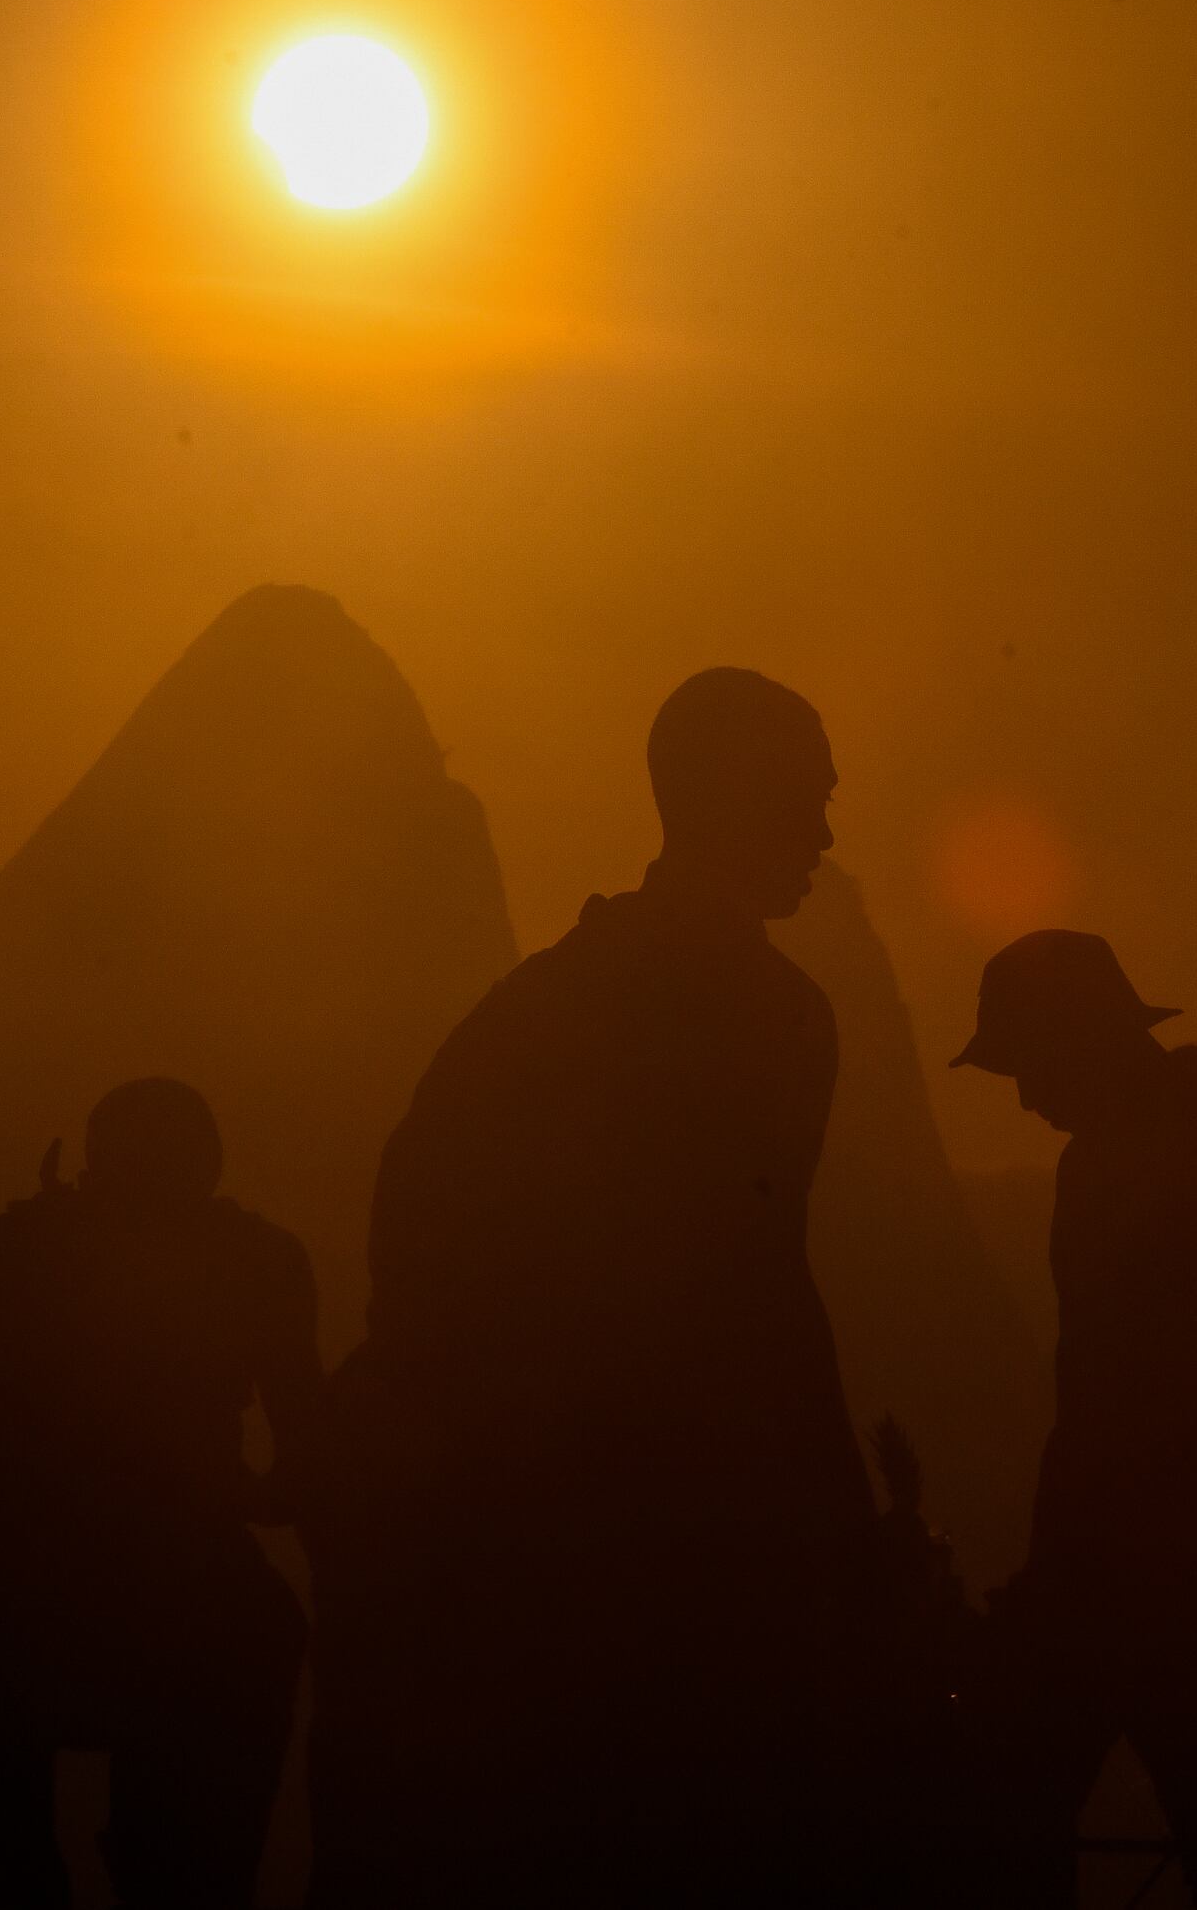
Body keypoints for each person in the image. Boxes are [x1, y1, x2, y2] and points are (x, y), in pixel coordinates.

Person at [308, 666, 882, 1908]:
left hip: (566, 1554)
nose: (828, 836)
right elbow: (756, 1292)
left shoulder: (544, 1012)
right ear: (727, 798)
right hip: (644, 1562)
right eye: (807, 800)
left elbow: (413, 1251)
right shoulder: (769, 1019)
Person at [0, 1077, 320, 1909]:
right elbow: (306, 1472)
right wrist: (232, 1496)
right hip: (188, 1618)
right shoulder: (259, 1264)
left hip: (25, 1610)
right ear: (209, 1171)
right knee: (266, 1633)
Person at [957, 929, 1197, 1907]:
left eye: (1028, 1064)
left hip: (1146, 1567)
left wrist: (1053, 1574)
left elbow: (1102, 1391)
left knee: (1009, 1804)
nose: (1021, 1096)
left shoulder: (1111, 1169)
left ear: (1074, 1043)